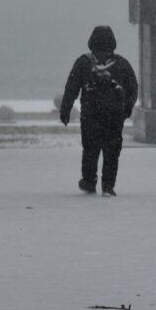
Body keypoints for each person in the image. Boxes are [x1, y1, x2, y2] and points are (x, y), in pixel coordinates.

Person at [60, 26, 138, 197]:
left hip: (91, 115)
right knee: (112, 152)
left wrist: (65, 109)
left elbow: (71, 88)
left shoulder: (83, 63)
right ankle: (108, 185)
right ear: (113, 43)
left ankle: (89, 181)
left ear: (91, 42)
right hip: (114, 116)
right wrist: (126, 109)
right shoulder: (122, 64)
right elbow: (133, 88)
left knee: (90, 150)